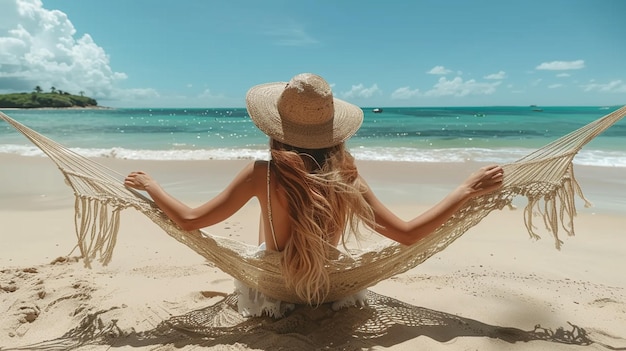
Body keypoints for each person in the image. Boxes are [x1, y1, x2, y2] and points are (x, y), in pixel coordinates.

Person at [124, 73, 504, 317]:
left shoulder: (263, 173)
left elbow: (191, 222)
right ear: (333, 127)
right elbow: (406, 234)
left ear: (275, 125)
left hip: (274, 291)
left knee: (274, 212)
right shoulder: (347, 176)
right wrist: (465, 190)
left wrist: (152, 187)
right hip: (328, 290)